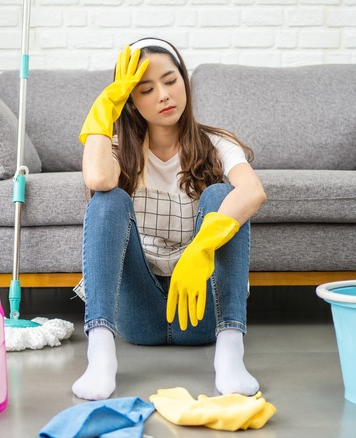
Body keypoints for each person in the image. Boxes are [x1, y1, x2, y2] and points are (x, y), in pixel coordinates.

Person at [73, 37, 267, 401]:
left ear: (185, 82)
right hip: (139, 314)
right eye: (146, 89)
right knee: (108, 198)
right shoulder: (120, 150)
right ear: (131, 101)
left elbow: (253, 192)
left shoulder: (216, 142)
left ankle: (230, 353)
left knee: (223, 194)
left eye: (171, 80)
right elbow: (98, 179)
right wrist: (105, 108)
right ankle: (100, 354)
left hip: (201, 311)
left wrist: (202, 250)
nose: (163, 95)